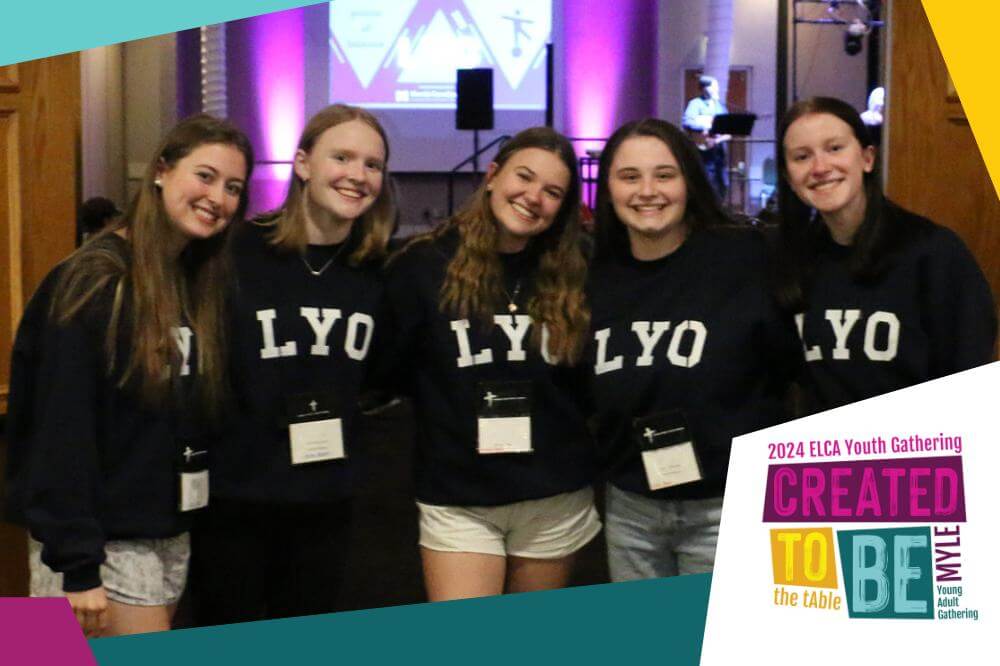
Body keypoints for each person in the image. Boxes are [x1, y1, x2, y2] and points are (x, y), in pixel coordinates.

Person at [4, 114, 253, 637]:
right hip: (96, 552)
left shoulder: (191, 283)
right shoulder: (95, 281)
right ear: (161, 171)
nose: (219, 197)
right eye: (204, 176)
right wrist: (77, 565)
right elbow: (60, 431)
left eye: (233, 187)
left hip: (160, 537)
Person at [191, 104, 395, 624]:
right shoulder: (234, 251)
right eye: (342, 157)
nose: (357, 175)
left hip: (325, 501)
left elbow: (381, 374)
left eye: (372, 164)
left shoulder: (378, 273)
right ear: (303, 163)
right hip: (234, 496)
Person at [383, 127, 600, 601]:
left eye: (552, 192)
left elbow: (590, 385)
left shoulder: (580, 271)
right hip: (460, 498)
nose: (533, 197)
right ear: (493, 175)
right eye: (524, 177)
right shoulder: (423, 266)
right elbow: (392, 371)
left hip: (553, 495)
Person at [587, 118, 798, 581]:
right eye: (629, 177)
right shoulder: (591, 273)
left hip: (725, 506)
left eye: (665, 175)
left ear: (689, 181)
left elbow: (788, 367)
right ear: (607, 189)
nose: (648, 190)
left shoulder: (746, 257)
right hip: (632, 508)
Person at [774, 96, 996, 412]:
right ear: (789, 178)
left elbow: (969, 377)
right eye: (802, 156)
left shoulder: (934, 252)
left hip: (915, 453)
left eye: (835, 148)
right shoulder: (795, 259)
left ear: (867, 158)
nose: (820, 167)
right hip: (825, 456)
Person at [682, 75, 730, 199]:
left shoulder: (719, 106)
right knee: (707, 180)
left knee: (722, 183)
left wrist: (718, 139)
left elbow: (727, 129)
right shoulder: (695, 104)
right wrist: (706, 125)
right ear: (704, 88)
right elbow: (687, 122)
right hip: (704, 151)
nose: (716, 90)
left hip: (719, 151)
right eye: (713, 87)